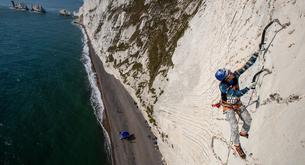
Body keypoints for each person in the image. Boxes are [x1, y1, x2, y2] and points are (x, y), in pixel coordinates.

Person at [214, 52, 259, 159]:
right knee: (234, 127)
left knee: (248, 120)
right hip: (228, 106)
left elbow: (246, 66)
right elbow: (235, 93)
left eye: (228, 71)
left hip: (236, 103)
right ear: (225, 78)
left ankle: (243, 133)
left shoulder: (234, 75)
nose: (230, 72)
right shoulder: (223, 87)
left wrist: (255, 55)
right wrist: (248, 87)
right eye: (228, 73)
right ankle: (237, 146)